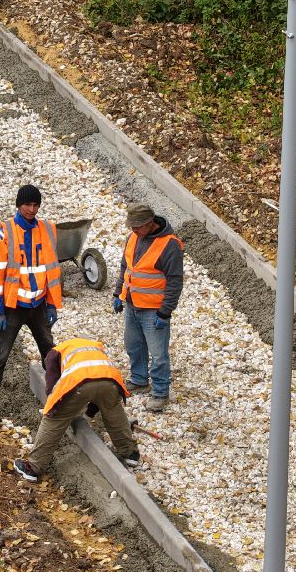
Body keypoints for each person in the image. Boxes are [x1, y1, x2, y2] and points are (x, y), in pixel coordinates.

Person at [0, 184, 62, 426]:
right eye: (27, 205)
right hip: (12, 307)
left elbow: (52, 270)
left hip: (38, 305)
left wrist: (52, 305)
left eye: (36, 205)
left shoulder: (47, 230)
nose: (32, 209)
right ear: (18, 204)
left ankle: (60, 400)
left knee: (51, 355)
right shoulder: (4, 234)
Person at [12, 337, 140, 481]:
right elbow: (97, 388)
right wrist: (88, 414)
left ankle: (33, 468)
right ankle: (130, 453)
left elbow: (52, 388)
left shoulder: (53, 354)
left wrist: (54, 408)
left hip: (80, 383)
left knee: (54, 420)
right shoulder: (94, 346)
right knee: (113, 411)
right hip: (110, 381)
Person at [112, 203, 183, 412]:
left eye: (137, 227)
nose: (133, 231)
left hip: (154, 310)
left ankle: (160, 392)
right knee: (133, 345)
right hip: (133, 303)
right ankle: (139, 379)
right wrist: (118, 293)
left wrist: (165, 311)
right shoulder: (133, 237)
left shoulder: (170, 245)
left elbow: (175, 281)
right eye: (131, 227)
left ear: (149, 223)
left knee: (158, 354)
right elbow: (126, 267)